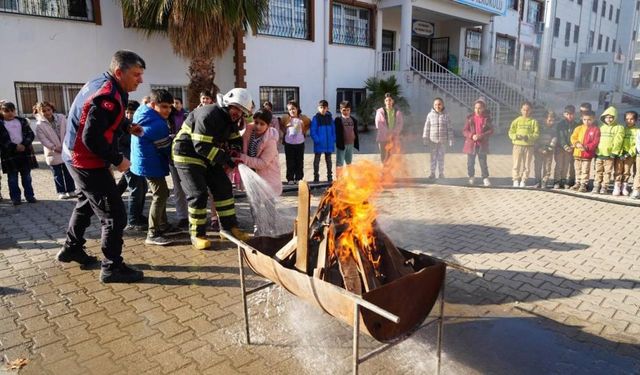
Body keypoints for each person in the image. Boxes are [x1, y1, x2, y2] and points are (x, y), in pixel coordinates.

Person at [58, 50, 145, 283]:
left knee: (86, 203)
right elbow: (92, 139)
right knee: (114, 215)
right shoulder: (106, 96)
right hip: (86, 161)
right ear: (119, 72)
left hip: (75, 156)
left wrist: (127, 126)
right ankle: (112, 267)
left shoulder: (106, 83)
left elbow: (105, 120)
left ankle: (71, 248)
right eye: (136, 74)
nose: (141, 80)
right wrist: (119, 160)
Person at [172, 87, 252, 250]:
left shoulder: (230, 119)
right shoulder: (208, 114)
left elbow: (234, 138)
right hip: (187, 154)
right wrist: (227, 160)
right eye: (236, 107)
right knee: (198, 193)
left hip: (209, 156)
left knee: (224, 188)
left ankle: (229, 228)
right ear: (228, 103)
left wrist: (235, 152)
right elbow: (200, 145)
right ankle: (197, 234)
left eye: (242, 111)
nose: (238, 113)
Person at [131, 89, 178, 246]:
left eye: (170, 107)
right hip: (151, 162)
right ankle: (153, 233)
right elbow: (165, 148)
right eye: (164, 106)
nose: (168, 110)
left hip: (143, 160)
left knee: (160, 193)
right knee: (161, 194)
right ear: (153, 104)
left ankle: (163, 225)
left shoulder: (142, 111)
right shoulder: (158, 124)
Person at [234, 109, 282, 234]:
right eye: (256, 122)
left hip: (268, 175)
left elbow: (262, 163)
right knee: (253, 201)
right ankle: (257, 225)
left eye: (262, 124)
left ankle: (271, 228)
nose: (258, 126)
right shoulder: (249, 131)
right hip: (251, 173)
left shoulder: (270, 141)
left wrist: (243, 158)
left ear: (268, 125)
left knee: (268, 203)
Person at [34, 101, 76, 199]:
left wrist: (67, 144)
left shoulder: (61, 118)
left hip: (65, 149)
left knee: (68, 171)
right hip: (52, 152)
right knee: (57, 173)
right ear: (40, 112)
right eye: (44, 111)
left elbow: (68, 130)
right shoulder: (40, 125)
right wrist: (54, 147)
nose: (47, 112)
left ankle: (71, 190)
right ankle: (61, 191)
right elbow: (43, 139)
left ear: (52, 109)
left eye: (48, 110)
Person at [117, 100, 148, 231]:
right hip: (127, 160)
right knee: (137, 188)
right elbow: (120, 144)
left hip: (137, 159)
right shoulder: (122, 126)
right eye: (127, 112)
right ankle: (133, 220)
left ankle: (137, 215)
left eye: (132, 112)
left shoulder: (136, 124)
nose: (129, 115)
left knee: (142, 187)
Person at [0, 101, 38, 205]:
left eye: (12, 110)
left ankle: (30, 196)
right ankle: (16, 198)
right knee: (12, 178)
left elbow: (30, 134)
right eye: (6, 111)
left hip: (24, 152)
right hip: (10, 154)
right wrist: (14, 147)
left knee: (27, 177)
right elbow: (2, 140)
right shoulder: (1, 123)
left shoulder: (22, 121)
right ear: (1, 112)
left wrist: (24, 145)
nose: (10, 113)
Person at [592, 106, 624, 194]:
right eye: (607, 117)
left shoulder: (618, 127)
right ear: (603, 117)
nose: (609, 119)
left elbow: (618, 141)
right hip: (599, 154)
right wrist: (594, 150)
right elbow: (596, 139)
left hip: (609, 155)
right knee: (598, 171)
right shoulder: (601, 127)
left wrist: (614, 152)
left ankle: (604, 186)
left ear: (615, 117)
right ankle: (596, 185)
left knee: (607, 172)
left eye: (611, 117)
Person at [463, 98, 494, 186]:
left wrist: (481, 135)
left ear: (483, 108)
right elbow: (465, 131)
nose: (478, 110)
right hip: (471, 144)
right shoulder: (470, 119)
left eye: (480, 108)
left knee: (483, 162)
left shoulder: (486, 119)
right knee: (470, 163)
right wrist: (471, 135)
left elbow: (491, 130)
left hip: (482, 144)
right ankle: (471, 176)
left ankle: (485, 178)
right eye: (476, 108)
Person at [508, 101, 539, 187]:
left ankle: (524, 180)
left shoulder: (533, 122)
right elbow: (510, 132)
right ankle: (515, 179)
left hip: (529, 146)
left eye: (528, 110)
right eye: (524, 110)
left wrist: (528, 137)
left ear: (531, 111)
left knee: (527, 165)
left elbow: (536, 134)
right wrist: (515, 136)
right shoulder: (516, 121)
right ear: (521, 110)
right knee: (516, 164)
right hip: (517, 146)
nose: (526, 112)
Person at [422, 97, 453, 180]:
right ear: (433, 105)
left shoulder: (446, 115)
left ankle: (441, 173)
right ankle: (432, 173)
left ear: (443, 105)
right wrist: (425, 139)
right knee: (433, 158)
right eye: (435, 104)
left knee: (441, 158)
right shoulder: (430, 115)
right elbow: (426, 127)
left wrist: (450, 139)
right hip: (433, 141)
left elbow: (449, 128)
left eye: (439, 104)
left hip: (443, 141)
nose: (437, 106)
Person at [280, 100, 310, 184]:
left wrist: (304, 130)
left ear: (297, 109)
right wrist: (285, 129)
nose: (291, 111)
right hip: (289, 143)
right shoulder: (286, 118)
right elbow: (281, 124)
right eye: (289, 109)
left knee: (299, 161)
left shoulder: (303, 118)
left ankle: (298, 178)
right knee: (290, 161)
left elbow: (309, 123)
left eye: (293, 109)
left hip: (300, 143)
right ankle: (290, 178)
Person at [570, 110, 600, 193]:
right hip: (577, 153)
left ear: (593, 119)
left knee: (585, 170)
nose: (586, 121)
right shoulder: (578, 128)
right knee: (577, 169)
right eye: (584, 119)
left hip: (587, 154)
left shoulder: (595, 130)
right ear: (581, 119)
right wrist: (577, 144)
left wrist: (586, 147)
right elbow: (573, 137)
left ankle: (584, 184)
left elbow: (595, 142)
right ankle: (577, 182)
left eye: (589, 120)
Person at [310, 99, 335, 183]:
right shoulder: (315, 118)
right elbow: (313, 131)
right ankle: (316, 176)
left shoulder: (330, 118)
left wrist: (333, 139)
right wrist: (317, 140)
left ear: (327, 108)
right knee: (317, 160)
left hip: (328, 144)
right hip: (319, 143)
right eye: (321, 107)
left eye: (324, 108)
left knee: (329, 160)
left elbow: (333, 129)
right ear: (318, 108)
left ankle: (329, 176)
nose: (323, 109)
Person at [553, 105, 577, 189]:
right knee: (559, 165)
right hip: (560, 148)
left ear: (574, 114)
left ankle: (563, 180)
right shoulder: (560, 124)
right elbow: (560, 137)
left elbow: (575, 136)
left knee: (566, 165)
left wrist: (572, 146)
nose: (569, 116)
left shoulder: (576, 125)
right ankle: (557, 181)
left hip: (570, 149)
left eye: (571, 114)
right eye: (567, 114)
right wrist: (565, 146)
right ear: (564, 114)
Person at [375, 93, 404, 163]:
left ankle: (388, 172)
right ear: (384, 102)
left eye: (390, 100)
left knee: (390, 155)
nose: (388, 102)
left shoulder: (397, 112)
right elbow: (378, 124)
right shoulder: (380, 111)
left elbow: (400, 123)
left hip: (392, 137)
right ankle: (384, 172)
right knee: (383, 155)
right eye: (387, 100)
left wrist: (394, 132)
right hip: (382, 137)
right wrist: (388, 132)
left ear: (392, 101)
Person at [334, 100, 359, 176]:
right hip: (342, 145)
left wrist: (355, 141)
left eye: (347, 110)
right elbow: (336, 133)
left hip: (350, 144)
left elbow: (355, 131)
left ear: (350, 110)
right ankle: (339, 179)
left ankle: (349, 177)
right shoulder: (338, 120)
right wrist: (338, 142)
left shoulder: (353, 120)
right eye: (344, 110)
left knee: (349, 162)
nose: (346, 112)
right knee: (340, 162)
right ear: (340, 110)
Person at [533, 111, 557, 188]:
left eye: (553, 120)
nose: (551, 122)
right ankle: (537, 181)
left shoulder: (554, 129)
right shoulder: (539, 128)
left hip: (549, 151)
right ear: (544, 119)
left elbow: (554, 139)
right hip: (538, 151)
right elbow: (535, 139)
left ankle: (545, 181)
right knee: (537, 167)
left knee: (547, 167)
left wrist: (549, 148)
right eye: (549, 120)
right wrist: (539, 148)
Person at [620, 111, 638, 197]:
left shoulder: (637, 130)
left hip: (634, 154)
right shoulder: (623, 129)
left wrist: (630, 152)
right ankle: (624, 187)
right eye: (627, 119)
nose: (629, 121)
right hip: (625, 154)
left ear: (636, 120)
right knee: (625, 171)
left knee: (636, 172)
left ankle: (635, 187)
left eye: (631, 119)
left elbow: (637, 144)